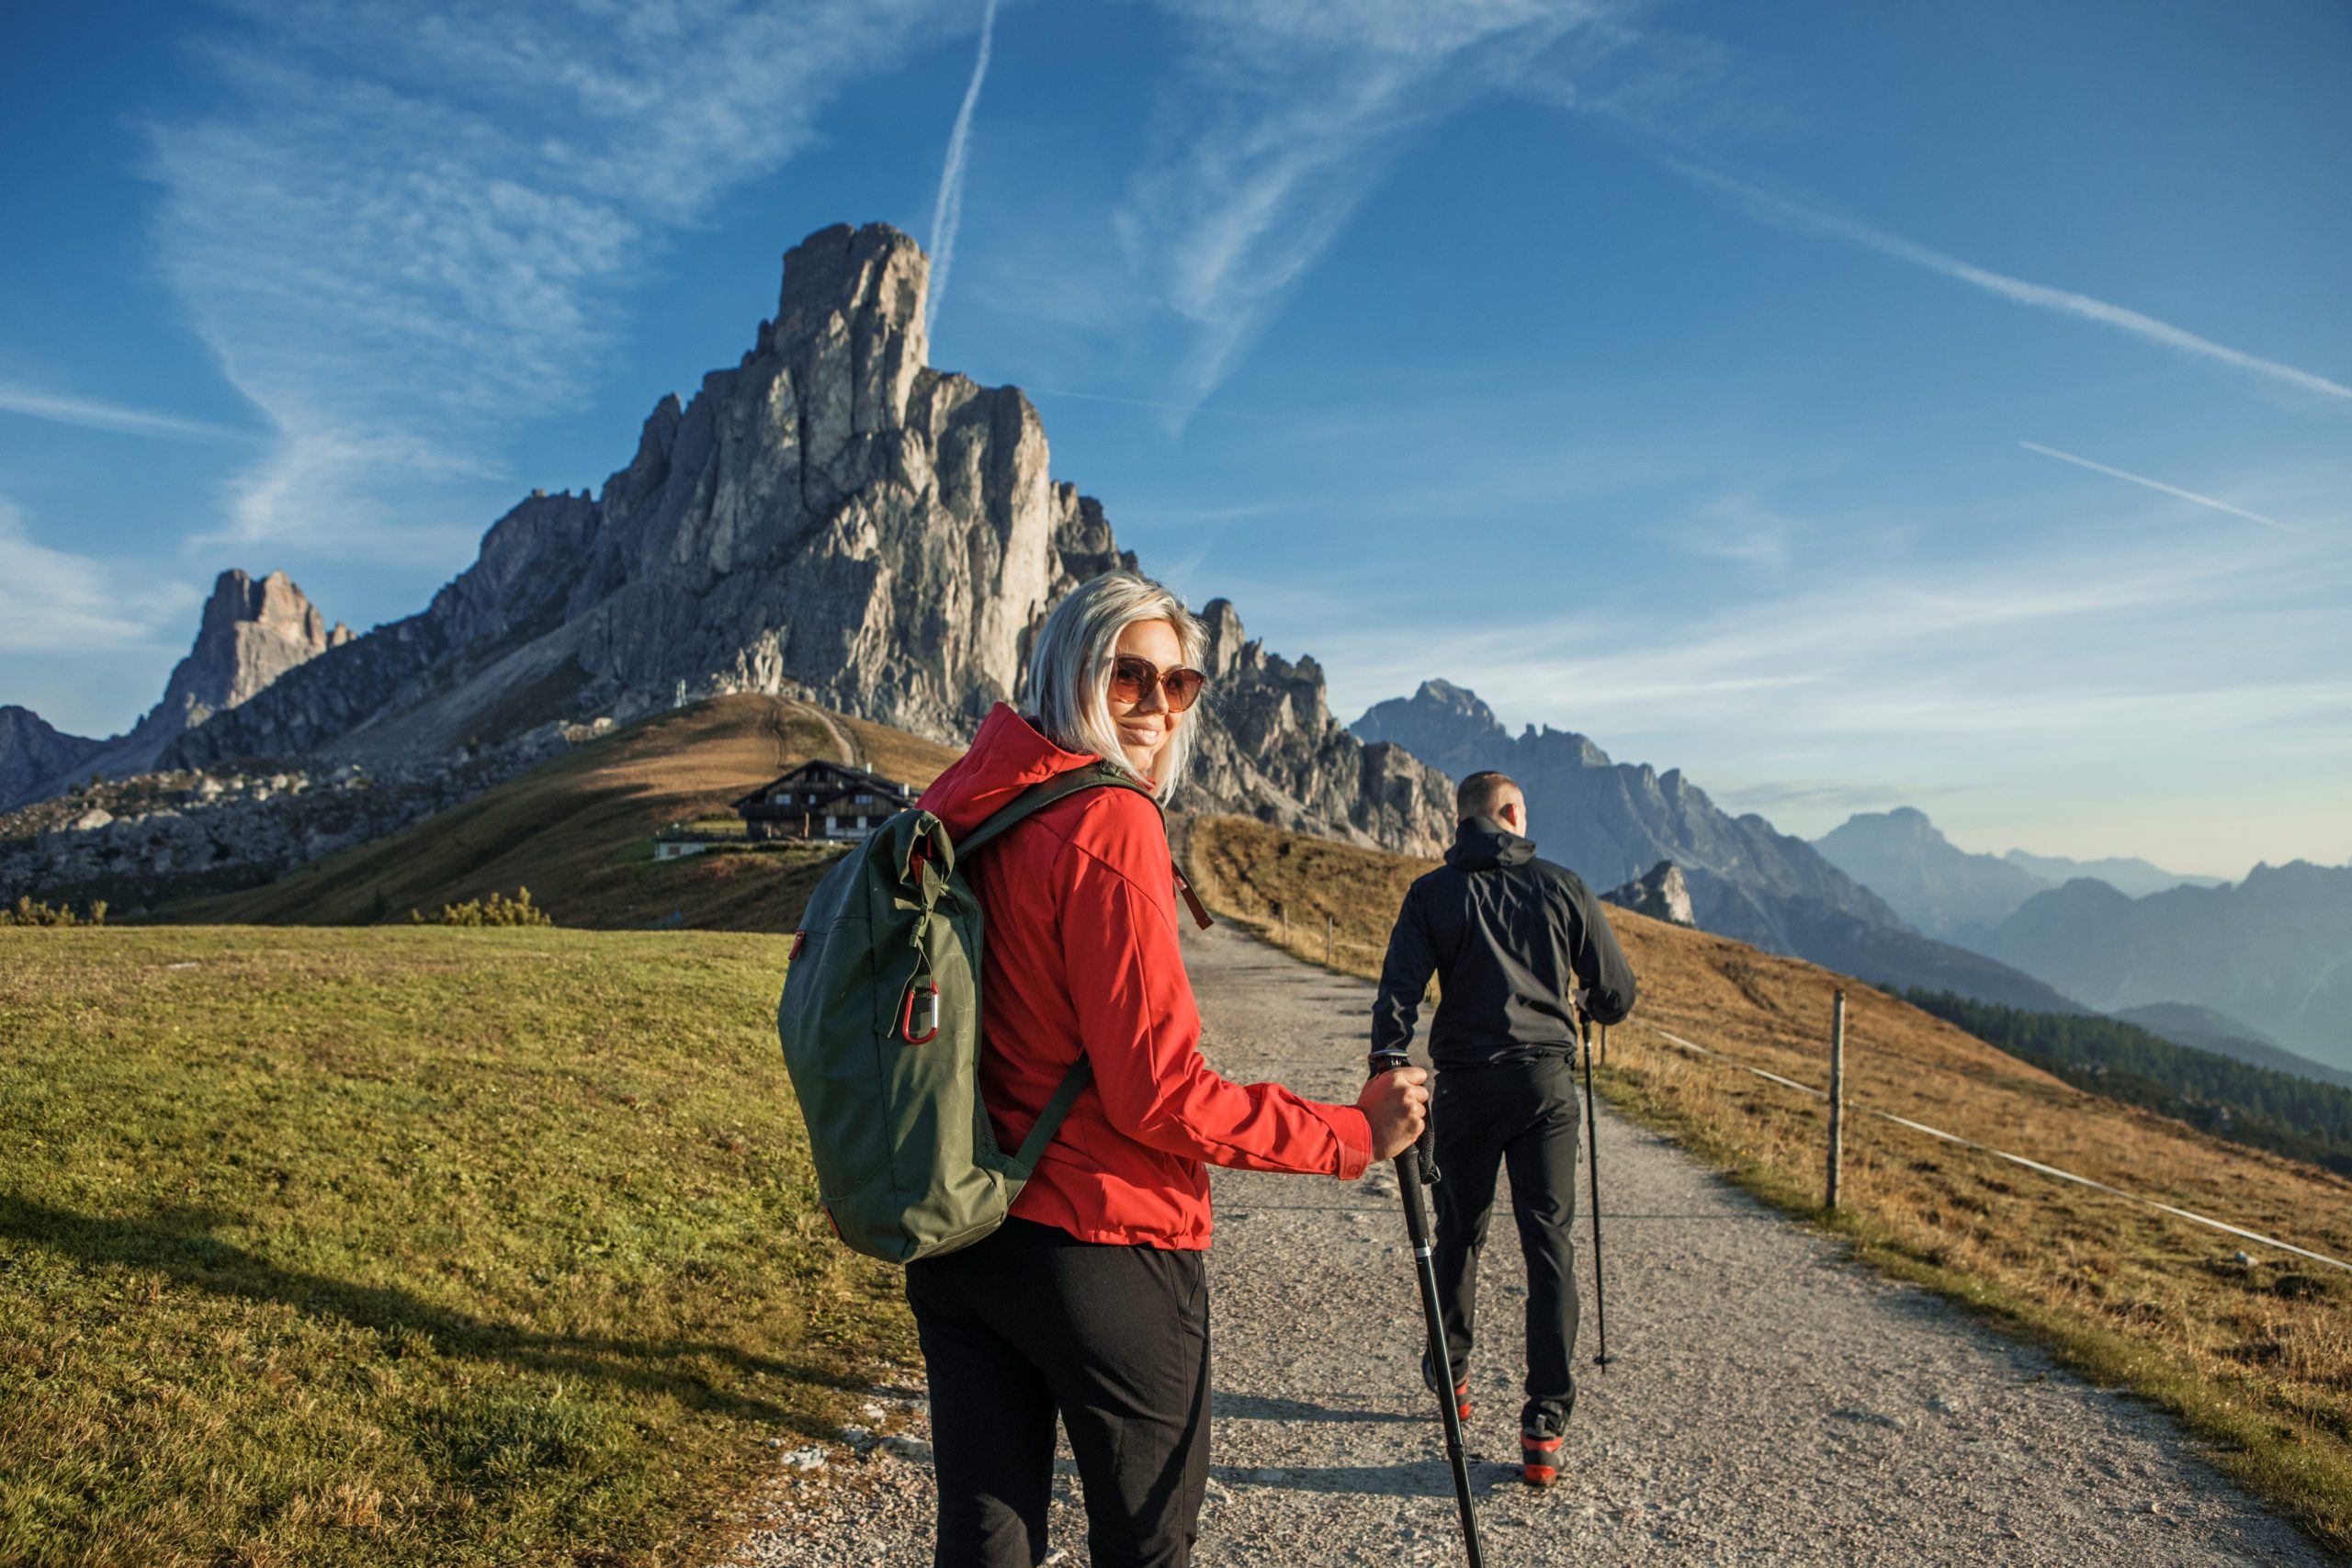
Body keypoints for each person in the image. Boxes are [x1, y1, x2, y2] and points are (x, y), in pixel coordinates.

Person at [907, 570, 1430, 1568]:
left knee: (984, 1535)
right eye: (1129, 676)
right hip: (1099, 1246)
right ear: (1072, 672)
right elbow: (1157, 1092)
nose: (1154, 704)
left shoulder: (966, 799)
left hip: (960, 1229)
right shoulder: (1108, 822)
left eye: (1178, 684)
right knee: (1146, 1543)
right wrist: (1352, 1133)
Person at [1369, 769, 1636, 1486]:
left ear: (1461, 822)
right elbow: (1617, 992)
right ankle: (1543, 1422)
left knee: (1459, 1229)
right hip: (1545, 1084)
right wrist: (1586, 1000)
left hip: (1466, 1086)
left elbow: (1398, 992)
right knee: (1548, 1240)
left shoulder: (1431, 894)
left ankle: (1451, 1378)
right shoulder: (1563, 884)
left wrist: (1390, 1064)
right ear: (1513, 813)